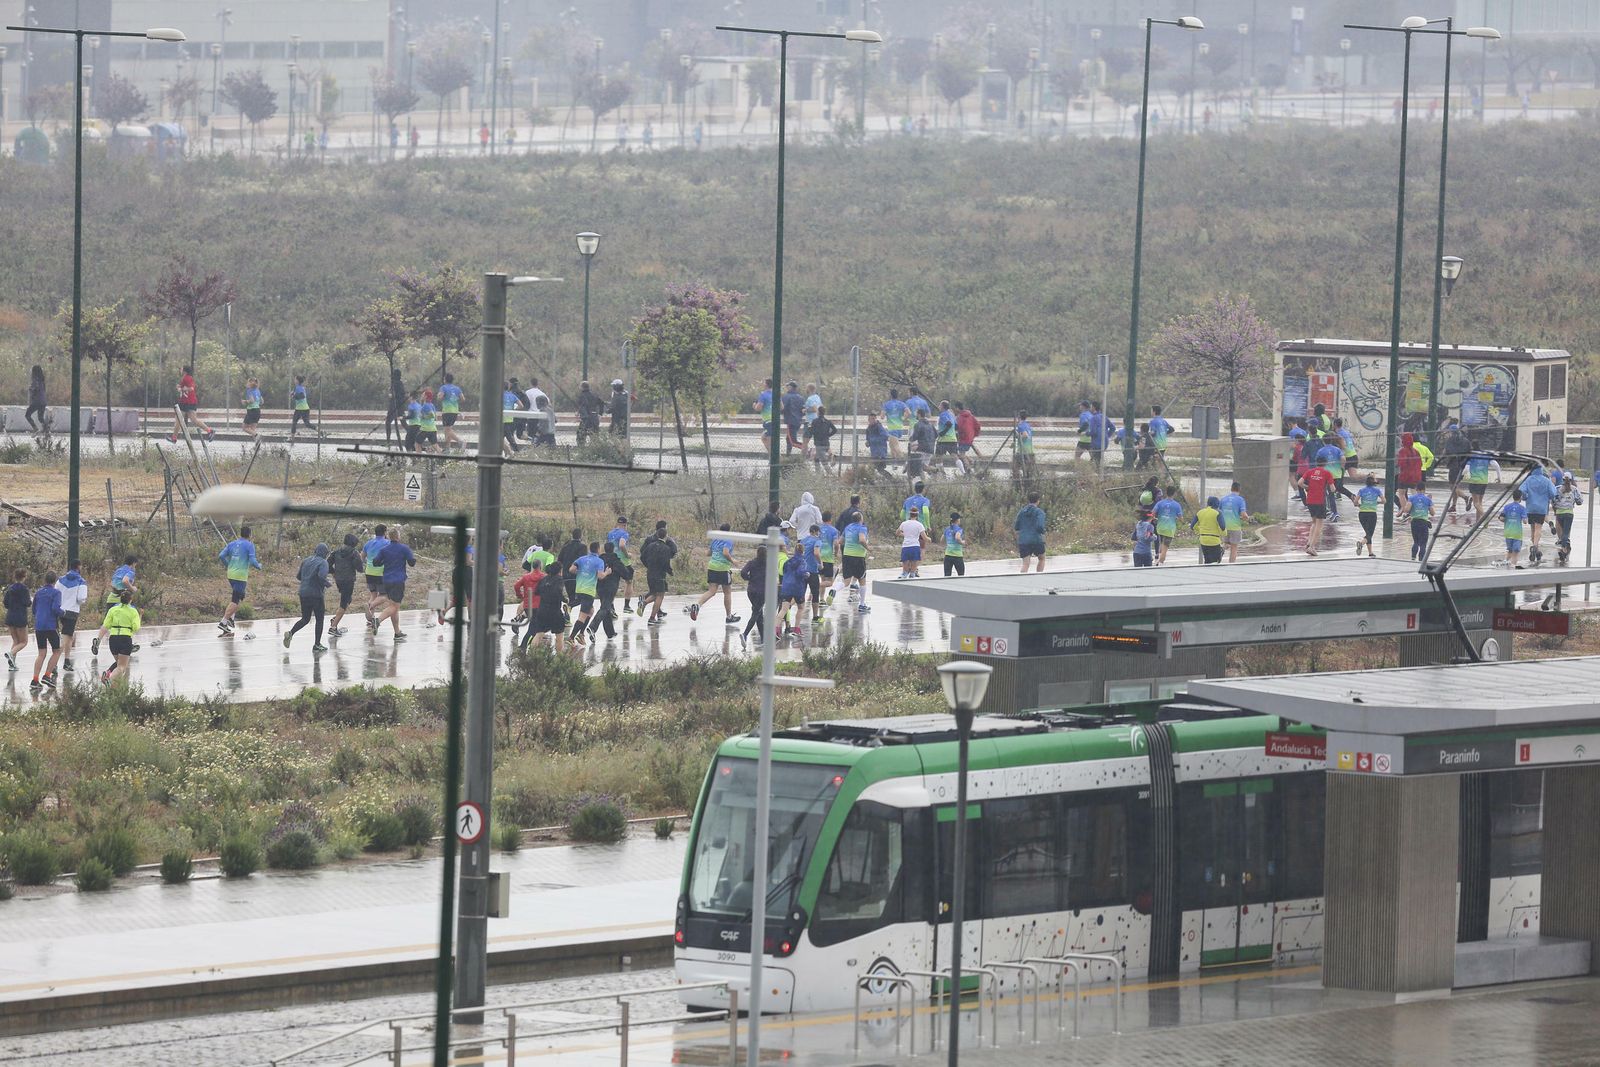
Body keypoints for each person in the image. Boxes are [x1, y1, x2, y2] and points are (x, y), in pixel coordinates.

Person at [283, 543, 332, 651]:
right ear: (325, 553)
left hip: (303, 593)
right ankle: (317, 644)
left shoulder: (306, 560)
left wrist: (307, 580)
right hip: (316, 594)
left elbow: (298, 576)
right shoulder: (323, 562)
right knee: (319, 619)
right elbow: (321, 576)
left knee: (305, 619)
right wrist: (327, 584)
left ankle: (291, 633)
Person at [689, 524, 740, 624]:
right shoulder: (728, 539)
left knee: (711, 591)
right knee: (727, 592)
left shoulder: (715, 539)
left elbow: (708, 553)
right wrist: (733, 561)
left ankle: (697, 605)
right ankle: (729, 616)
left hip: (712, 567)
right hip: (723, 569)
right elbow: (725, 553)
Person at [90, 555, 137, 658]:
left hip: (111, 597)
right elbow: (125, 580)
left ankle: (97, 640)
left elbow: (112, 583)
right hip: (122, 598)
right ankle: (128, 643)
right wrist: (132, 588)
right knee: (127, 621)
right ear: (133, 563)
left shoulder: (118, 570)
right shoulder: (131, 571)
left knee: (107, 622)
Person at [216, 527, 262, 633]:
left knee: (241, 595)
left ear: (240, 534)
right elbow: (253, 560)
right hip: (240, 576)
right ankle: (223, 622)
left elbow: (221, 555)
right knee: (235, 600)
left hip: (231, 575)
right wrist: (259, 566)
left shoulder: (232, 544)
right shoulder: (249, 545)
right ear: (250, 535)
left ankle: (231, 619)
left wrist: (228, 565)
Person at [376, 528, 416, 639]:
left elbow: (375, 562)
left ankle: (397, 632)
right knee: (394, 606)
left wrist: (384, 562)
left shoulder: (384, 549)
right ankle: (377, 621)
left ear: (388, 537)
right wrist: (412, 559)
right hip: (398, 580)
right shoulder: (404, 548)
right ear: (398, 537)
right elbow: (412, 563)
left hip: (386, 580)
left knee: (393, 606)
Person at [566, 541, 608, 646]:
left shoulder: (581, 559)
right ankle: (571, 637)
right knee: (582, 616)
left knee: (591, 611)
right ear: (598, 549)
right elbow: (600, 576)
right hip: (588, 591)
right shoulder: (599, 561)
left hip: (579, 588)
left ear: (590, 549)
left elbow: (571, 569)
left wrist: (581, 573)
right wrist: (607, 572)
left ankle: (581, 633)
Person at [638, 520, 678, 624]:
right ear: (666, 535)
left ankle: (646, 604)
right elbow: (666, 562)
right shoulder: (666, 548)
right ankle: (651, 616)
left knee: (654, 593)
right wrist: (670, 571)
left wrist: (649, 565)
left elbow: (642, 556)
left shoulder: (650, 544)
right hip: (660, 574)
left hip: (650, 572)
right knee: (660, 595)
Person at [100, 589, 141, 686]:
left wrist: (99, 639)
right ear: (130, 600)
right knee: (122, 667)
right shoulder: (133, 611)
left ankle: (110, 675)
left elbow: (106, 624)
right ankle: (109, 678)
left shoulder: (113, 609)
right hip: (125, 638)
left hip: (113, 638)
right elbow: (136, 627)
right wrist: (140, 617)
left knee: (118, 663)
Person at [29, 571, 62, 690]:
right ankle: (47, 675)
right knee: (57, 651)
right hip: (51, 625)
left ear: (45, 580)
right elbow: (55, 608)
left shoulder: (38, 593)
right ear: (55, 581)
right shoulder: (56, 593)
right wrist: (63, 613)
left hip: (39, 626)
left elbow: (33, 610)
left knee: (41, 653)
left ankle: (35, 680)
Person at [589, 539, 627, 639]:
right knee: (605, 608)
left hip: (599, 587)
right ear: (613, 549)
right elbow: (626, 574)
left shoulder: (599, 560)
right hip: (611, 587)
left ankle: (610, 632)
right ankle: (593, 627)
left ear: (604, 549)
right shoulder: (616, 560)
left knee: (606, 607)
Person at [326, 533, 363, 636]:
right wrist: (360, 559)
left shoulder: (336, 552)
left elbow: (327, 563)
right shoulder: (354, 553)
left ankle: (336, 618)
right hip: (349, 580)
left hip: (339, 580)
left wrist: (333, 573)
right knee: (344, 603)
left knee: (347, 599)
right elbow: (360, 569)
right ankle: (333, 627)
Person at [1297, 462, 1335, 556]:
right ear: (1325, 463)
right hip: (1320, 501)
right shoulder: (1327, 473)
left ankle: (1309, 543)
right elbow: (1333, 489)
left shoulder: (1309, 472)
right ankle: (1312, 547)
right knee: (1319, 524)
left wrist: (1307, 487)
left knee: (1314, 522)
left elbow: (1299, 483)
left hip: (1309, 500)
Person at [1522, 464, 1557, 565]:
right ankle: (1535, 547)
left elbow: (1522, 491)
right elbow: (1553, 493)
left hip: (1530, 508)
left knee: (1533, 530)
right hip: (1541, 508)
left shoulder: (1528, 480)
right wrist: (1547, 497)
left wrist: (1526, 497)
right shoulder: (1546, 480)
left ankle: (1536, 551)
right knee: (1538, 529)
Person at [170, 365, 215, 442]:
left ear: (184, 371)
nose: (180, 370)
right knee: (194, 420)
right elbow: (182, 388)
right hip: (190, 402)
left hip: (186, 402)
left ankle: (174, 438)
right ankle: (209, 431)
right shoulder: (185, 378)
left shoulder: (188, 378)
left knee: (178, 419)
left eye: (181, 368)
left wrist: (183, 388)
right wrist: (179, 388)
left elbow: (191, 388)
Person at [55, 566, 87, 673]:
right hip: (72, 611)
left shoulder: (60, 580)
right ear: (79, 567)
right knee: (66, 637)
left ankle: (67, 661)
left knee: (69, 637)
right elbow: (81, 598)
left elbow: (56, 593)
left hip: (61, 610)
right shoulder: (81, 581)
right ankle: (54, 662)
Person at [839, 511, 871, 612]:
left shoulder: (848, 527)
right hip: (858, 557)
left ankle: (833, 590)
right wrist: (868, 548)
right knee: (862, 580)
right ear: (861, 519)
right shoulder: (862, 528)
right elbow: (861, 540)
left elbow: (840, 541)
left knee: (846, 581)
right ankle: (862, 605)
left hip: (847, 555)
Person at [604, 516, 636, 613]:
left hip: (611, 560)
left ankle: (611, 607)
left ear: (617, 523)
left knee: (613, 583)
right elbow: (622, 545)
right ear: (625, 525)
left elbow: (608, 546)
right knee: (629, 581)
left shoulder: (610, 533)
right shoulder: (624, 533)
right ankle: (626, 606)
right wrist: (627, 554)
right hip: (623, 561)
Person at [776, 547, 810, 637]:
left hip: (786, 587)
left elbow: (783, 571)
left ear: (794, 551)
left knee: (783, 609)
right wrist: (807, 574)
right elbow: (800, 573)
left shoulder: (788, 561)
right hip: (797, 588)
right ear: (803, 551)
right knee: (801, 607)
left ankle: (776, 629)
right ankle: (797, 629)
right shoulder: (802, 561)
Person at [738, 547, 768, 645]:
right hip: (762, 592)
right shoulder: (768, 564)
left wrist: (749, 578)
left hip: (751, 591)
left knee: (759, 614)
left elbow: (743, 572)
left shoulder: (752, 562)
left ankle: (764, 638)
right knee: (756, 613)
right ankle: (745, 634)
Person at [512, 559, 543, 647]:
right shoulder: (543, 577)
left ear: (532, 566)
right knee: (535, 627)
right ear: (540, 566)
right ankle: (524, 645)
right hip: (539, 605)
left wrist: (520, 595)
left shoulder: (526, 577)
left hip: (527, 605)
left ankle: (527, 645)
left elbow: (516, 585)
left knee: (534, 625)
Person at [1015, 491, 1048, 572]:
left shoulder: (1021, 512)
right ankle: (1039, 577)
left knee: (1025, 563)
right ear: (1038, 500)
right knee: (1042, 558)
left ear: (1028, 500)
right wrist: (1043, 532)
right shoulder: (1039, 512)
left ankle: (1022, 580)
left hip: (1023, 540)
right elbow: (1040, 526)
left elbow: (1016, 527)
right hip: (1036, 539)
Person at [1219, 482, 1251, 563]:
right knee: (1234, 548)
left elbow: (1218, 511)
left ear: (1231, 489)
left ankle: (1218, 557)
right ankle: (1231, 565)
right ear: (1239, 490)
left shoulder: (1223, 499)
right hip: (1235, 527)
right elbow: (1243, 514)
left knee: (1225, 544)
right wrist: (1247, 519)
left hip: (1224, 526)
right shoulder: (1240, 500)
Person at [3, 569, 28, 673]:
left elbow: (5, 603)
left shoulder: (10, 589)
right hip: (20, 617)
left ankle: (12, 664)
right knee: (23, 642)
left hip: (10, 616)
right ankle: (11, 653)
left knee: (16, 641)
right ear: (24, 577)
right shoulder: (24, 589)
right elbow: (27, 602)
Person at [1554, 474, 1582, 564]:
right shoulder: (1574, 489)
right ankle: (1564, 550)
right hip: (1569, 513)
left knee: (1562, 532)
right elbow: (1580, 501)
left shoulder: (1557, 488)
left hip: (1559, 513)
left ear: (1562, 479)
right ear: (1571, 479)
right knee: (1566, 532)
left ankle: (1563, 546)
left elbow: (1553, 500)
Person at [1402, 484, 1434, 561]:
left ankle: (1413, 558)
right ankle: (1421, 560)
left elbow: (1406, 509)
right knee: (1423, 543)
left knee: (1416, 541)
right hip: (1423, 523)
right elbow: (1432, 513)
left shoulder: (1412, 498)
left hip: (1414, 522)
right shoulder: (1427, 499)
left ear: (1416, 489)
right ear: (1424, 489)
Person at [1355, 474, 1384, 557]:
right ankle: (1361, 543)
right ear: (1373, 483)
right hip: (1372, 513)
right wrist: (1377, 502)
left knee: (1368, 533)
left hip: (1362, 513)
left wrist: (1359, 505)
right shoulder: (1377, 490)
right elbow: (1384, 500)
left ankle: (1370, 553)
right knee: (1369, 534)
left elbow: (1355, 502)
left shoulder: (1361, 490)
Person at [1152, 490, 1183, 565]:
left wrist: (1154, 518)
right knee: (1165, 548)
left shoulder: (1160, 503)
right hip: (1170, 529)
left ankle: (1158, 556)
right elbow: (1181, 519)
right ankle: (1160, 562)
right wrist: (1177, 519)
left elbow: (1152, 513)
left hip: (1160, 528)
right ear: (1174, 494)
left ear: (1166, 493)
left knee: (1162, 543)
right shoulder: (1177, 505)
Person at [557, 528, 587, 605]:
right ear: (581, 536)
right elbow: (583, 561)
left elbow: (559, 560)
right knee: (581, 598)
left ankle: (568, 610)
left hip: (566, 575)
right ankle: (570, 607)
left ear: (572, 536)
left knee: (571, 597)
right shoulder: (583, 547)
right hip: (577, 575)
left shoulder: (565, 546)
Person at [1191, 497, 1225, 564]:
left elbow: (1192, 526)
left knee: (1207, 561)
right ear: (1217, 504)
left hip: (1203, 540)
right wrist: (1223, 533)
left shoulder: (1200, 512)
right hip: (1214, 540)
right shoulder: (1218, 513)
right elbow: (1223, 527)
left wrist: (1201, 530)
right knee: (1216, 562)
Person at [816, 511, 840, 603]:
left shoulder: (818, 529)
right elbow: (836, 543)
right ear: (830, 519)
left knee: (823, 579)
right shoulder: (833, 530)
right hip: (828, 558)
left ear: (822, 519)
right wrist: (836, 552)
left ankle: (821, 599)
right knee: (829, 582)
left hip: (819, 558)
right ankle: (815, 585)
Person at [896, 507, 927, 579]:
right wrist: (929, 539)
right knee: (914, 561)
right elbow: (924, 537)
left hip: (906, 546)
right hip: (915, 545)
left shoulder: (904, 524)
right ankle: (912, 573)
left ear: (909, 514)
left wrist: (905, 535)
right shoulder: (919, 525)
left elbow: (897, 533)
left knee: (905, 561)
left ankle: (904, 573)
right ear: (917, 515)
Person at [1462, 451, 1492, 523]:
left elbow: (1466, 469)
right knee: (1479, 503)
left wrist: (1461, 475)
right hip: (1484, 481)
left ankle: (1486, 518)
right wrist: (1499, 477)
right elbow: (1496, 465)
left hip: (1474, 481)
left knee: (1476, 503)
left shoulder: (1471, 456)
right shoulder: (1486, 456)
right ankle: (1477, 522)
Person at [438, 373, 464, 450]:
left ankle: (461, 441)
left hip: (447, 411)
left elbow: (440, 397)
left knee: (447, 430)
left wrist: (439, 396)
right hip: (455, 411)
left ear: (445, 379)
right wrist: (454, 399)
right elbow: (463, 399)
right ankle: (447, 449)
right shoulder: (457, 388)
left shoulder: (443, 387)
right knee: (448, 430)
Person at [1502, 489, 1528, 568]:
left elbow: (1501, 518)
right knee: (1515, 552)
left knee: (1510, 550)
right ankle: (1513, 566)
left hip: (1508, 532)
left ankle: (1505, 562)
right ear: (1520, 497)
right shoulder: (1522, 508)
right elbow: (1525, 521)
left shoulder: (1507, 507)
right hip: (1517, 534)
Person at [908, 409, 937, 480]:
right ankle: (936, 470)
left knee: (919, 466)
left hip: (922, 448)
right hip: (931, 448)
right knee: (924, 467)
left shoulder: (918, 424)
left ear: (919, 414)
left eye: (916, 414)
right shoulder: (930, 424)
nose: (915, 415)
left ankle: (924, 483)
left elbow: (914, 437)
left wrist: (910, 439)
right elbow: (936, 434)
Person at [935, 401, 962, 473]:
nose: (938, 407)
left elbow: (949, 424)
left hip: (943, 440)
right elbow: (956, 426)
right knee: (955, 456)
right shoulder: (951, 415)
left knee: (938, 457)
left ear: (942, 407)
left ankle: (941, 473)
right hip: (953, 439)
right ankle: (963, 472)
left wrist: (942, 433)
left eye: (939, 405)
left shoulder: (942, 415)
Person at [810, 405, 838, 473]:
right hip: (826, 443)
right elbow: (835, 430)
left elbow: (812, 431)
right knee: (816, 458)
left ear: (818, 412)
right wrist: (828, 435)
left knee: (824, 462)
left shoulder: (815, 421)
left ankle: (830, 474)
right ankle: (818, 473)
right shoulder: (828, 421)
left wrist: (811, 431)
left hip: (819, 444)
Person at [576, 380, 605, 445]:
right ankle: (594, 451)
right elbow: (602, 403)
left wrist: (580, 414)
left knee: (580, 436)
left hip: (586, 419)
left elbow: (583, 406)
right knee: (594, 436)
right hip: (594, 417)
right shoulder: (594, 395)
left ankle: (582, 450)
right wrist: (600, 413)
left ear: (582, 387)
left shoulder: (581, 396)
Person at [882, 389, 908, 457]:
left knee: (896, 447)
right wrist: (903, 418)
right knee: (891, 445)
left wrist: (885, 414)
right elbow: (908, 412)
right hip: (899, 427)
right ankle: (894, 463)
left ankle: (904, 461)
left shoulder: (887, 404)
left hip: (892, 428)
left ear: (890, 395)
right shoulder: (901, 404)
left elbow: (882, 416)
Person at [781, 381, 805, 454]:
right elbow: (803, 410)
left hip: (790, 421)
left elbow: (782, 409)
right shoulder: (801, 398)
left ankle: (809, 450)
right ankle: (788, 455)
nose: (787, 388)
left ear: (790, 387)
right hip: (798, 421)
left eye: (788, 386)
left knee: (792, 441)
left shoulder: (786, 397)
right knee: (789, 439)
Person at [385, 368, 407, 448]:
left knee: (388, 423)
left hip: (394, 407)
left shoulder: (395, 384)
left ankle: (388, 441)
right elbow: (403, 395)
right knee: (403, 423)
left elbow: (394, 395)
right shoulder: (400, 384)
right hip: (400, 406)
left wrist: (391, 396)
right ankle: (412, 437)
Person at [24, 364, 48, 433]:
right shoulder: (42, 381)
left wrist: (31, 392)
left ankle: (35, 428)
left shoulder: (35, 380)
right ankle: (47, 431)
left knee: (27, 415)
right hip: (43, 402)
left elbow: (35, 389)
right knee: (40, 418)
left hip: (36, 402)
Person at [1013, 411, 1036, 481]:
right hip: (1030, 450)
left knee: (1015, 467)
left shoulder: (1020, 426)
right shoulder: (1028, 425)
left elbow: (1025, 435)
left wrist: (1017, 435)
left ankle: (1017, 483)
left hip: (1023, 450)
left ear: (1019, 418)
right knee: (1029, 470)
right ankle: (1027, 483)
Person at [754, 378, 775, 454]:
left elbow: (758, 408)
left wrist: (754, 406)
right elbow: (781, 407)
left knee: (769, 442)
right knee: (763, 437)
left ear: (766, 385)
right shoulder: (776, 393)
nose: (763, 384)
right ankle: (773, 456)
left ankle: (774, 458)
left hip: (768, 420)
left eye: (763, 383)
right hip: (775, 420)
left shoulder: (763, 394)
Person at [942, 512, 967, 576]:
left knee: (947, 575)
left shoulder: (947, 529)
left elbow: (941, 539)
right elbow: (957, 537)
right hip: (957, 555)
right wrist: (962, 542)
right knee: (961, 575)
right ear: (958, 520)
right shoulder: (959, 529)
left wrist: (948, 544)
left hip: (948, 555)